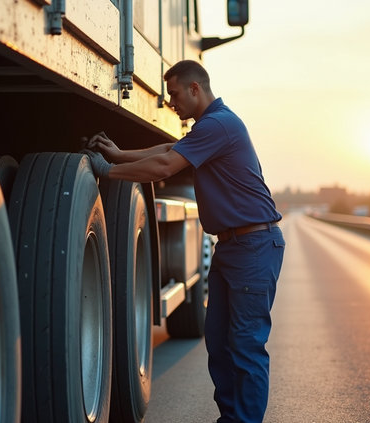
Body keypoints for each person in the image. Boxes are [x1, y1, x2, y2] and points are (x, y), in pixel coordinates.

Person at [81, 59, 285, 423]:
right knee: (220, 345)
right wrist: (118, 154)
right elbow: (166, 151)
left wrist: (109, 171)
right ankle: (231, 417)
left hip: (253, 247)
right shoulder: (211, 126)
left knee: (246, 347)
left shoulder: (220, 125)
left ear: (195, 88)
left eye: (174, 94)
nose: (171, 102)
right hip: (233, 247)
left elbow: (164, 168)